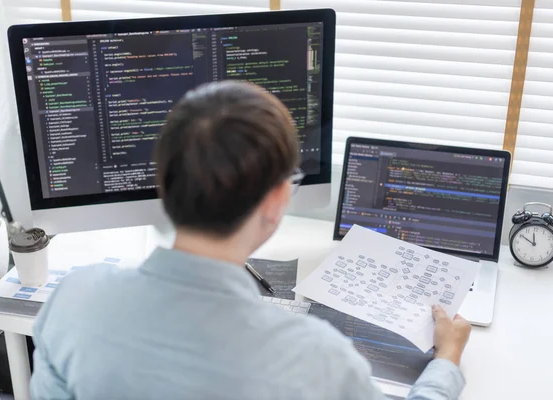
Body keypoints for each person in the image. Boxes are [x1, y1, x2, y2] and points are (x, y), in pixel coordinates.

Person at [30, 81, 471, 400]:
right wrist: (446, 361)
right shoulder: (316, 359)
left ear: (162, 181)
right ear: (278, 199)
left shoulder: (73, 299)